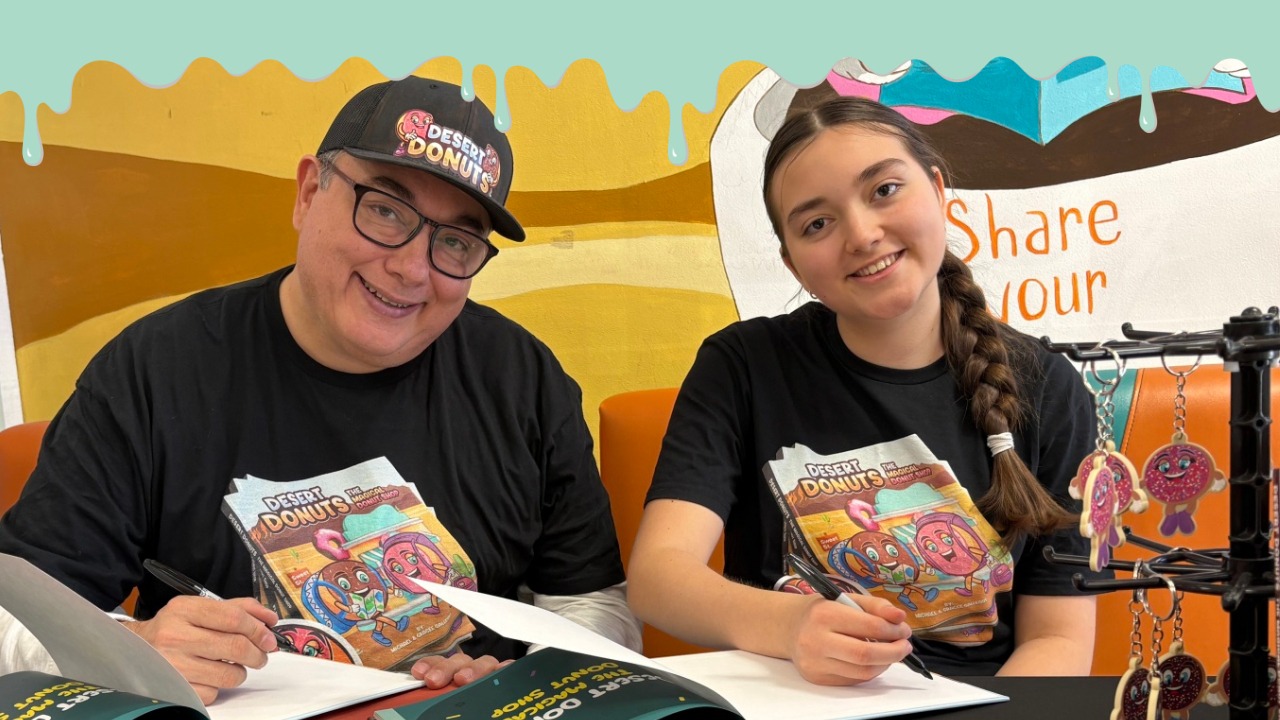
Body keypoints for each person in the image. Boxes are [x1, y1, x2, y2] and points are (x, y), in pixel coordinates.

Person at [0, 76, 640, 701]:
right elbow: (14, 619)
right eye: (385, 210)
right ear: (309, 192)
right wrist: (130, 647)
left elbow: (593, 605)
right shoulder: (153, 372)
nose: (412, 268)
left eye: (456, 241)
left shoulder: (521, 378)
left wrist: (535, 682)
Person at [627, 94, 1104, 683]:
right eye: (817, 223)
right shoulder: (743, 364)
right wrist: (790, 624)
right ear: (794, 264)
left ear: (937, 189)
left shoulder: (1050, 388)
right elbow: (657, 577)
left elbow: (1058, 638)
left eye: (884, 190)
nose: (862, 234)